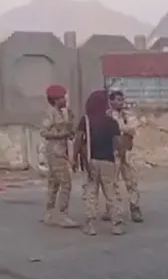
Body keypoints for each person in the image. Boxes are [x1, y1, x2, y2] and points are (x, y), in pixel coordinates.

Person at [75, 90, 124, 236]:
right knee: (111, 193)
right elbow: (118, 143)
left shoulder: (85, 120)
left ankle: (90, 225)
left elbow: (78, 141)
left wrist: (74, 159)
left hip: (91, 161)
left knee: (91, 192)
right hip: (108, 161)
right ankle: (116, 225)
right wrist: (120, 156)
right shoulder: (112, 122)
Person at [39, 85, 79, 228]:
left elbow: (67, 130)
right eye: (62, 97)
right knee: (65, 183)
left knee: (54, 183)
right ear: (55, 100)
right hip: (55, 152)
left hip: (60, 151)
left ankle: (50, 213)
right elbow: (44, 132)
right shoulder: (50, 113)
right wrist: (61, 134)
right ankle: (62, 214)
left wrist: (70, 125)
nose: (65, 100)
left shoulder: (61, 113)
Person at [105, 90, 144, 223]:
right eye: (117, 100)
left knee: (131, 181)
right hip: (113, 152)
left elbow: (133, 128)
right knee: (112, 182)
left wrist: (120, 127)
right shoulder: (107, 115)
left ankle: (135, 207)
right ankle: (112, 209)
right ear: (111, 101)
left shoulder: (128, 115)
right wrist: (122, 128)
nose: (121, 103)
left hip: (127, 152)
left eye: (122, 100)